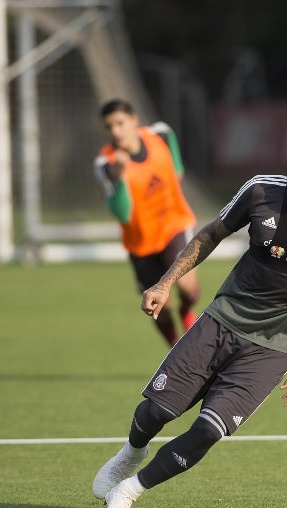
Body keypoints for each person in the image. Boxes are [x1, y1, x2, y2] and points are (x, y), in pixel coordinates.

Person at [91, 119, 287, 508]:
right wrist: (166, 283)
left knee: (209, 430)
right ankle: (131, 453)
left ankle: (128, 492)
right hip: (221, 321)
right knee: (156, 412)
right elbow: (210, 235)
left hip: (274, 347)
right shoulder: (261, 190)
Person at [95, 99, 200, 346]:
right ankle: (177, 350)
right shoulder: (106, 164)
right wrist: (121, 178)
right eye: (109, 127)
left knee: (188, 288)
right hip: (141, 243)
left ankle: (186, 309)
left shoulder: (161, 135)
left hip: (174, 226)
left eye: (120, 123)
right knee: (159, 307)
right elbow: (122, 213)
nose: (116, 131)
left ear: (134, 120)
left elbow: (177, 172)